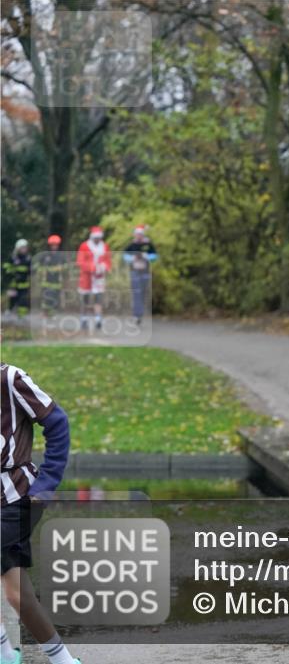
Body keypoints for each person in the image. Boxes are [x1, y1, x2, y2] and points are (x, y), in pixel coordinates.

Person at [1, 361, 82, 664]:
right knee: (16, 594)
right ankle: (53, 659)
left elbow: (57, 422)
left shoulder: (10, 379)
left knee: (16, 592)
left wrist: (46, 484)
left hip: (17, 496)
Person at [75, 227, 111, 331]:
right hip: (86, 276)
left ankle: (98, 319)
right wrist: (92, 267)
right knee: (85, 299)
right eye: (96, 238)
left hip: (99, 277)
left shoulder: (105, 246)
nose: (97, 240)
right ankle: (84, 319)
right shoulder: (84, 246)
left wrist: (104, 267)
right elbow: (80, 261)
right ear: (92, 237)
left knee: (98, 298)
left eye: (99, 238)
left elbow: (108, 260)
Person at [122, 225, 158, 326]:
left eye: (140, 234)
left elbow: (155, 256)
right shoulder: (131, 245)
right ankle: (136, 315)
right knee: (136, 293)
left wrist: (147, 257)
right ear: (135, 234)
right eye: (137, 234)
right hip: (135, 272)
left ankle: (140, 313)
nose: (139, 236)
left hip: (145, 273)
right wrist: (132, 258)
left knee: (142, 294)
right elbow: (124, 256)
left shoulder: (148, 245)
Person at [35, 236, 67, 318]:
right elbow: (39, 267)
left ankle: (53, 313)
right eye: (52, 245)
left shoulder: (61, 256)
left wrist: (60, 269)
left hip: (57, 281)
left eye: (56, 245)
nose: (54, 247)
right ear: (50, 245)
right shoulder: (45, 256)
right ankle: (44, 313)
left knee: (55, 297)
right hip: (46, 281)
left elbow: (65, 267)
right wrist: (43, 271)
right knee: (46, 297)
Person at [4, 239, 32, 319]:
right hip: (14, 284)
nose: (24, 249)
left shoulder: (28, 259)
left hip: (24, 284)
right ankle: (9, 310)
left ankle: (22, 316)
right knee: (12, 299)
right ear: (18, 248)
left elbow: (31, 270)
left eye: (25, 248)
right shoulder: (13, 258)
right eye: (22, 248)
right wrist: (11, 273)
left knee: (23, 300)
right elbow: (6, 268)